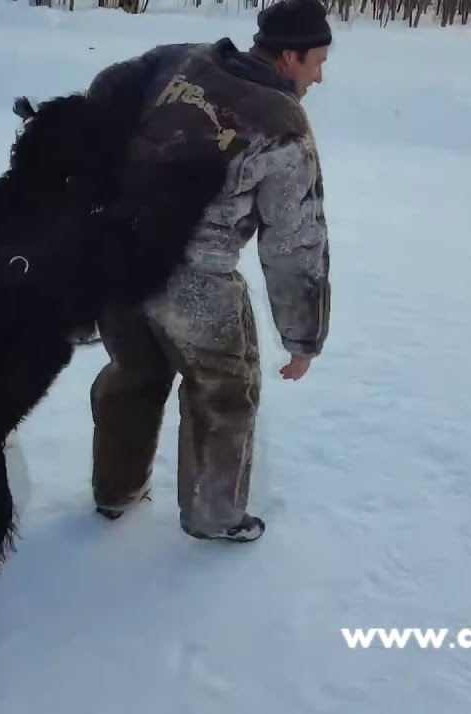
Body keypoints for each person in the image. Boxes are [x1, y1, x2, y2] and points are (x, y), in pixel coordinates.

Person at [84, 0, 333, 543]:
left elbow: (105, 88)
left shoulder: (183, 58)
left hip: (118, 259)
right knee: (224, 393)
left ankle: (115, 493)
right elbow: (295, 243)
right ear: (289, 56)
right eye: (316, 61)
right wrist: (303, 336)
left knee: (133, 374)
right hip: (197, 283)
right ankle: (214, 516)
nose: (319, 75)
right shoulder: (282, 124)